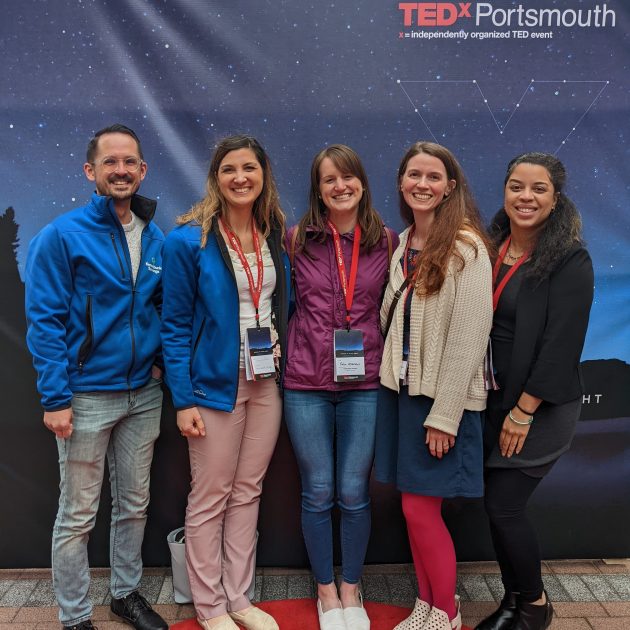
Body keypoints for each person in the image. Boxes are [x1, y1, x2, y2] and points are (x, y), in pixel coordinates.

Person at [25, 124, 167, 630]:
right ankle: (75, 616)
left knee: (133, 504)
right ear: (91, 171)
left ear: (143, 170)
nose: (121, 170)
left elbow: (158, 307)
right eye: (110, 162)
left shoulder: (154, 236)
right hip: (85, 396)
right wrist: (55, 397)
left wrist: (155, 364)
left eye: (130, 162)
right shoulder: (62, 236)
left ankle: (125, 594)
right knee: (79, 514)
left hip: (143, 396)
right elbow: (44, 322)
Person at [161, 135, 290, 630]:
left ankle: (239, 597)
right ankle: (209, 605)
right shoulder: (188, 239)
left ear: (263, 175)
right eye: (229, 169)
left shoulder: (273, 233)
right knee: (210, 494)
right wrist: (183, 399)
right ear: (216, 177)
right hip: (213, 387)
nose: (240, 178)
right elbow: (172, 326)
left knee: (248, 491)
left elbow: (281, 305)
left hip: (265, 383)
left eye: (250, 168)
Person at [375, 141, 493, 630]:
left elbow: (469, 337)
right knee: (412, 509)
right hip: (402, 394)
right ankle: (427, 604)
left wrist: (445, 415)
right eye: (413, 175)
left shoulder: (465, 247)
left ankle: (445, 610)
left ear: (449, 187)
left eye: (433, 176)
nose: (422, 184)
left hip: (438, 403)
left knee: (422, 512)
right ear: (401, 182)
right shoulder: (404, 242)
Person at [475, 153, 594, 630]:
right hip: (494, 400)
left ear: (555, 197)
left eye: (538, 188)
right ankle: (513, 602)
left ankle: (536, 606)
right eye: (516, 186)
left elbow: (560, 345)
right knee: (495, 507)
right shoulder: (493, 246)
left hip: (537, 407)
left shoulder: (569, 257)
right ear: (504, 191)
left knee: (504, 507)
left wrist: (523, 412)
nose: (526, 197)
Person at [283, 144, 397, 630]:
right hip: (305, 382)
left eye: (347, 177)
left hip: (365, 382)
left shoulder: (387, 241)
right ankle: (325, 589)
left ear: (362, 183)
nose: (340, 186)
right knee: (318, 492)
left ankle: (352, 586)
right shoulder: (295, 240)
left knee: (353, 492)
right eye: (329, 179)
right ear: (318, 188)